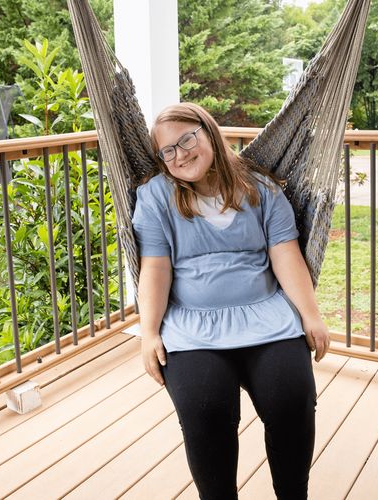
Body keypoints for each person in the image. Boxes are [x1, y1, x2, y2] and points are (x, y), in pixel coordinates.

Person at [132, 102, 330, 500]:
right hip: (193, 325)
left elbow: (285, 253)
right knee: (205, 413)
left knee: (292, 403)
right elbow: (155, 269)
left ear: (209, 132)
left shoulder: (260, 188)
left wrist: (310, 314)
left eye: (187, 139)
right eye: (167, 150)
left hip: (267, 317)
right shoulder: (155, 197)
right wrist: (149, 332)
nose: (180, 154)